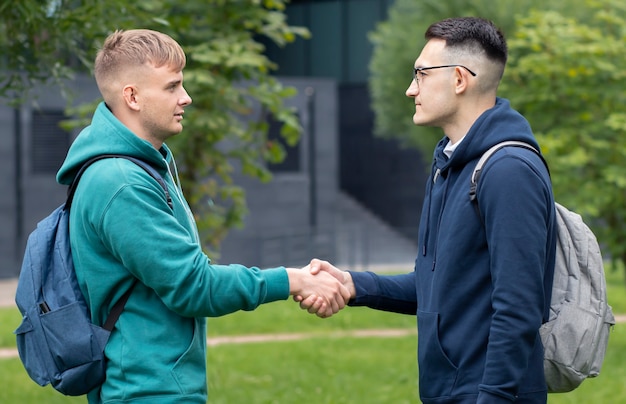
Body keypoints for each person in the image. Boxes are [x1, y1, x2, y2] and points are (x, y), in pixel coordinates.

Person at [56, 29, 349, 404]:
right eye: (172, 86)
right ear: (132, 96)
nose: (186, 97)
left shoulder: (139, 167)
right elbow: (192, 287)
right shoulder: (122, 182)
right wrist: (293, 280)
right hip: (147, 392)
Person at [301, 17, 557, 403]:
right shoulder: (448, 168)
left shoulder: (508, 171)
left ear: (459, 79)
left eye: (420, 74)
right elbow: (437, 287)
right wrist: (355, 285)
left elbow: (519, 309)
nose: (410, 89)